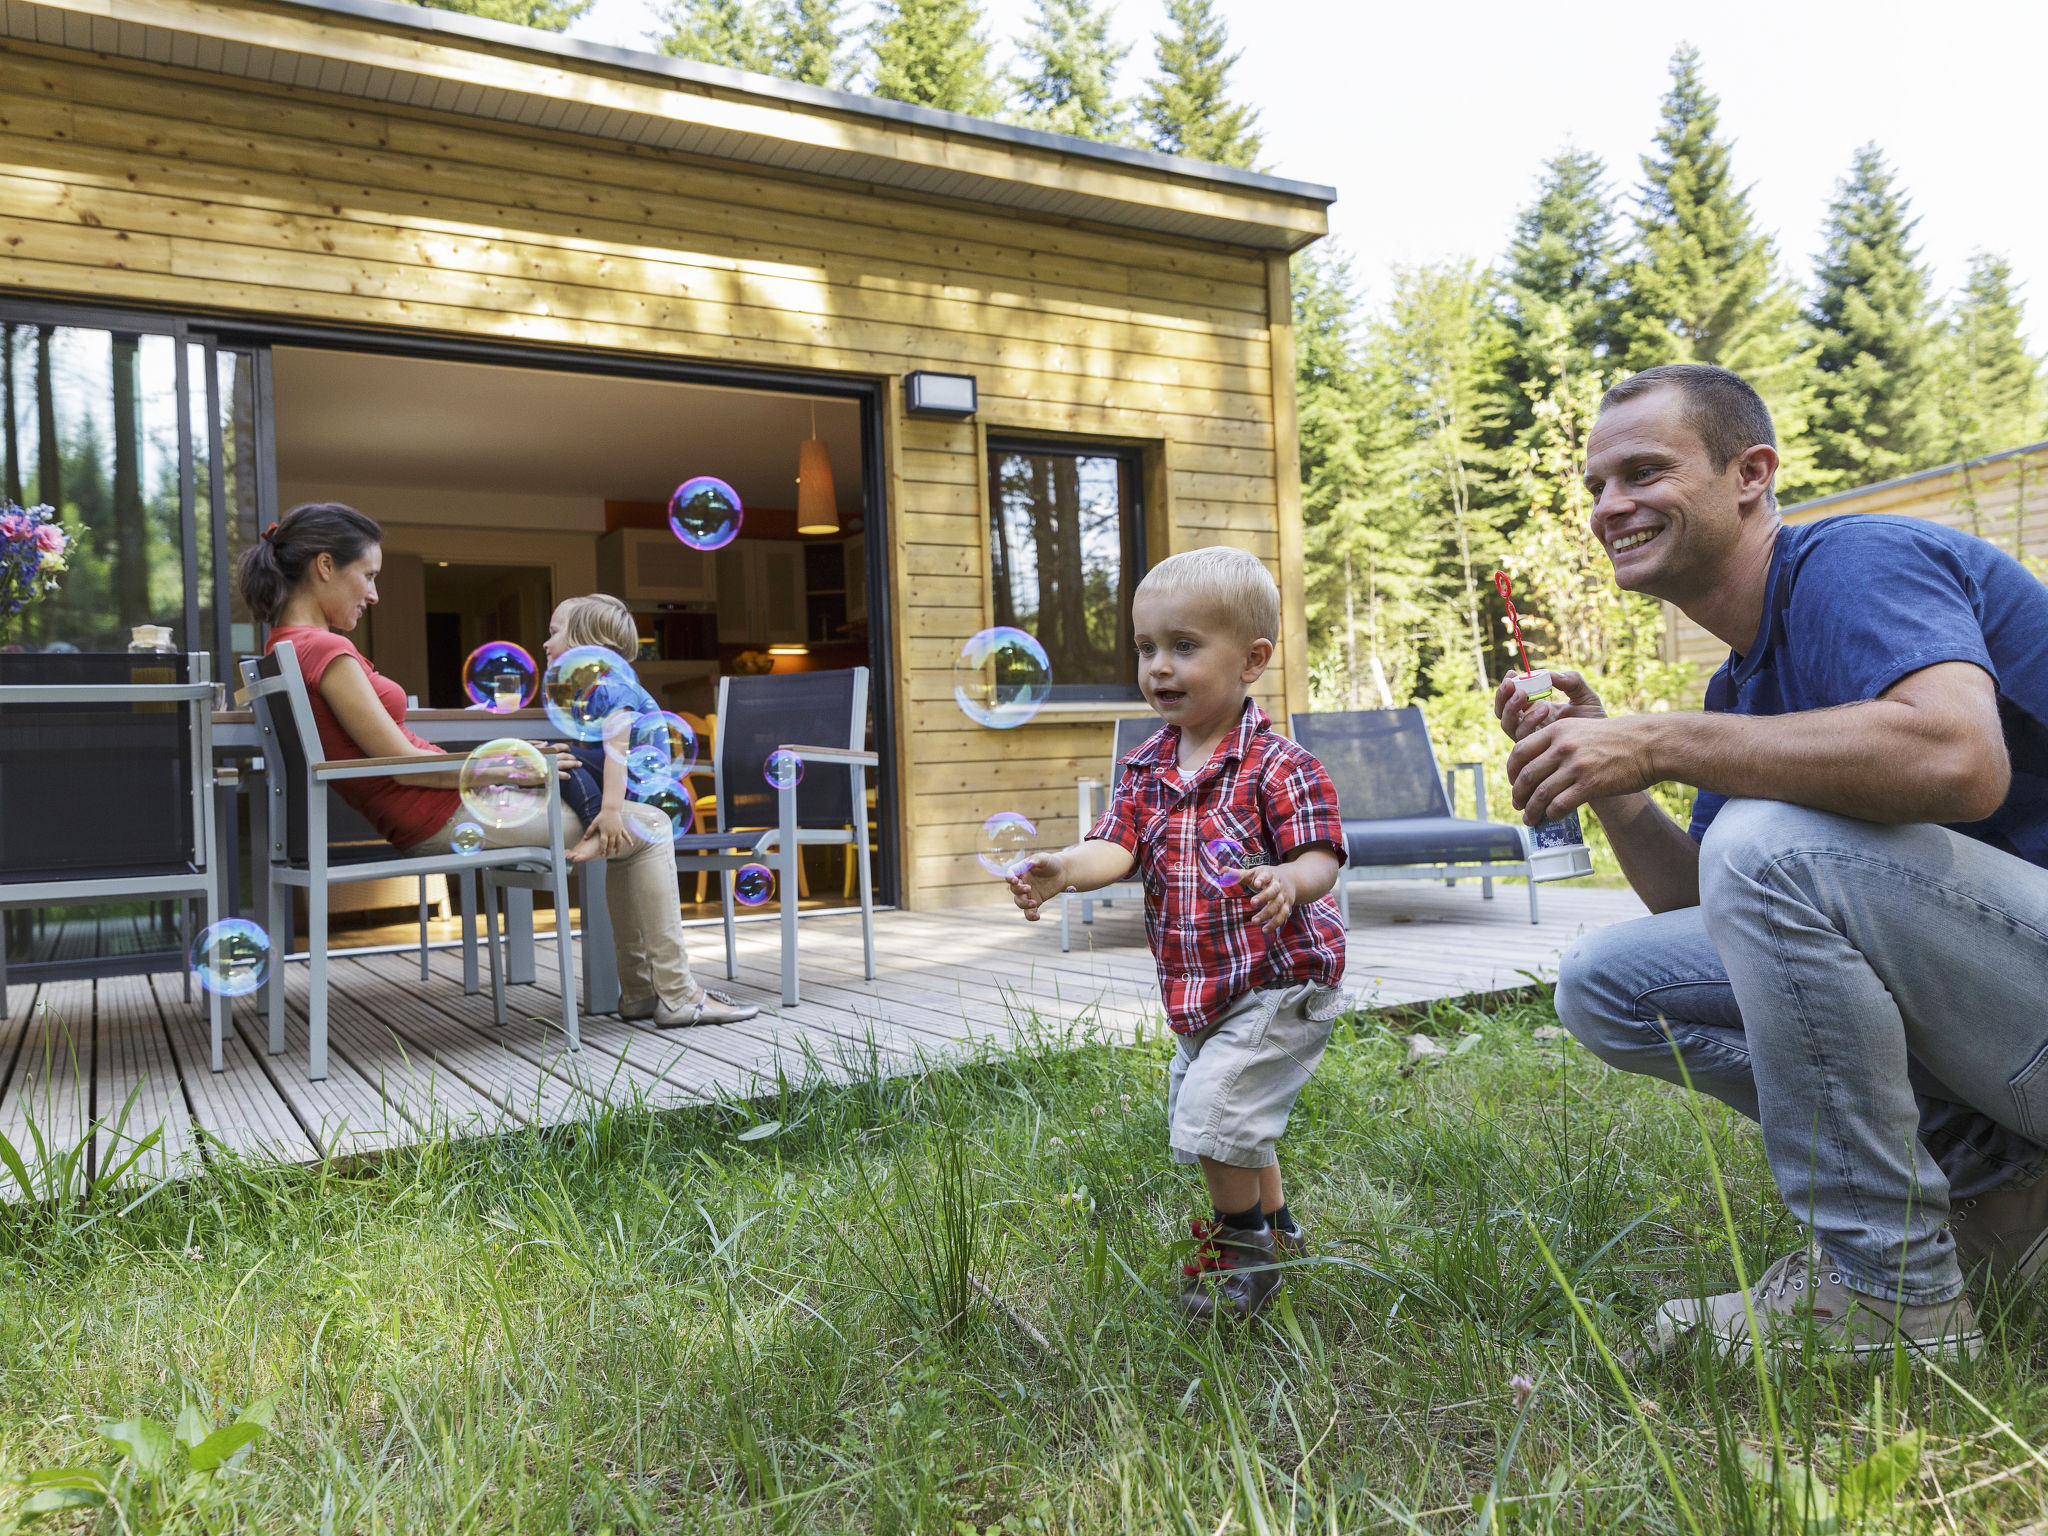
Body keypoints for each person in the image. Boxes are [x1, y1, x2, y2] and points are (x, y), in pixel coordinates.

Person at [1494, 363, 2048, 1361]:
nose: (1608, 505)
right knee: (1607, 982)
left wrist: (1657, 739)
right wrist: (1615, 776)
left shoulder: (1854, 564)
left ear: (1748, 473)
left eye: (1641, 471)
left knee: (1767, 846)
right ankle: (1993, 1190)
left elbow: (1957, 757)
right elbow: (1705, 903)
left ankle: (1893, 1297)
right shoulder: (1738, 682)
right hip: (2013, 1016)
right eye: (1594, 486)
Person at [239, 501, 758, 1028]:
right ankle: (675, 995)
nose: (374, 593)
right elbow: (402, 766)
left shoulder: (286, 648)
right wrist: (514, 768)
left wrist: (517, 763)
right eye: (368, 576)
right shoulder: (328, 651)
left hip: (439, 806)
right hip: (438, 814)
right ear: (325, 566)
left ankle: (648, 995)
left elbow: (395, 759)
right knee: (644, 824)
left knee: (620, 819)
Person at [1007, 546, 1346, 1322]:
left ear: (1252, 660)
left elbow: (1322, 856)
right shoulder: (1145, 765)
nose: (1159, 667)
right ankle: (1281, 1230)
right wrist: (1065, 866)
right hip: (1202, 984)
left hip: (1279, 979)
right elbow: (1116, 846)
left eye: (1184, 647)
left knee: (1214, 1119)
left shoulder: (1279, 766)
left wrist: (1289, 880)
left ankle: (1244, 1257)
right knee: (1231, 1114)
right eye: (1146, 648)